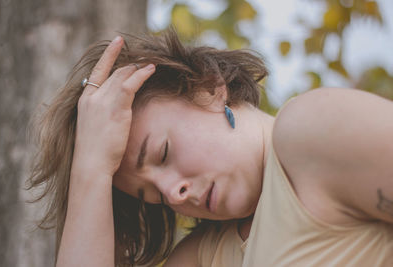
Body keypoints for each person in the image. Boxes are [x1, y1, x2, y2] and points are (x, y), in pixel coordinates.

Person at [28, 29, 393, 267]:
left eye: (163, 153)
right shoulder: (206, 256)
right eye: (150, 194)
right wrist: (90, 169)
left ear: (208, 85)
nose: (173, 193)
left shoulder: (307, 134)